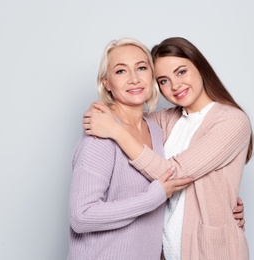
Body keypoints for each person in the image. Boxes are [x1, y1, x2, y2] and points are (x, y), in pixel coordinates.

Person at [83, 37, 254, 260]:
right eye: (163, 80)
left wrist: (116, 132)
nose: (175, 85)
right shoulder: (165, 120)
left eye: (181, 72)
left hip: (212, 251)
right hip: (166, 251)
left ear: (200, 68)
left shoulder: (232, 120)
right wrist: (98, 109)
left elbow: (174, 173)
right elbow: (125, 115)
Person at [68, 38, 194, 260]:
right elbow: (82, 216)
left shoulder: (156, 131)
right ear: (106, 82)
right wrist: (153, 197)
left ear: (152, 75)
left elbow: (175, 182)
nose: (134, 79)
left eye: (141, 68)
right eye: (121, 71)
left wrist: (225, 206)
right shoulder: (100, 134)